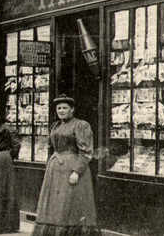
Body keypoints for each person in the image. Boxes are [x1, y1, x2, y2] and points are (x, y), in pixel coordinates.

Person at [33, 95, 100, 236]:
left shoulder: (81, 125)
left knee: (69, 206)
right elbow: (52, 147)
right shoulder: (56, 126)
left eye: (65, 108)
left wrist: (77, 171)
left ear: (72, 110)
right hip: (55, 171)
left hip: (72, 169)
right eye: (59, 108)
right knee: (54, 207)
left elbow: (86, 151)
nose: (61, 111)